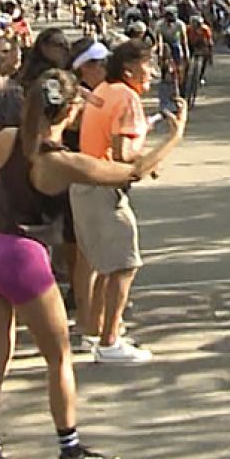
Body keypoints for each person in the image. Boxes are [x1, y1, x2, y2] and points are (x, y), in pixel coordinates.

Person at [0, 71, 185, 459]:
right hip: (22, 256)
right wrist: (173, 137)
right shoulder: (58, 161)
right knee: (58, 358)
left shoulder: (5, 139)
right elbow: (130, 172)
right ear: (70, 111)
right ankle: (69, 450)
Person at [71, 42, 169, 365]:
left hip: (88, 183)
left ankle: (99, 332)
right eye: (147, 66)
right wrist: (172, 139)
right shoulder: (127, 97)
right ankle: (110, 340)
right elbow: (123, 156)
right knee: (125, 264)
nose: (152, 73)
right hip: (103, 186)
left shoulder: (105, 89)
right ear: (129, 71)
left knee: (107, 265)